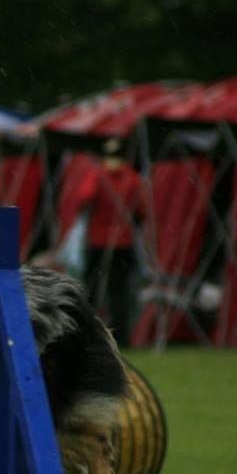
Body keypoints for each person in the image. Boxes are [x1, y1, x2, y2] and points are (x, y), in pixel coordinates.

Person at [72, 139, 147, 347]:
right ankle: (122, 338)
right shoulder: (133, 178)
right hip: (123, 243)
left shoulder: (97, 175)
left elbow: (82, 200)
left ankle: (88, 335)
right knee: (120, 293)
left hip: (98, 242)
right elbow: (142, 211)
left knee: (92, 291)